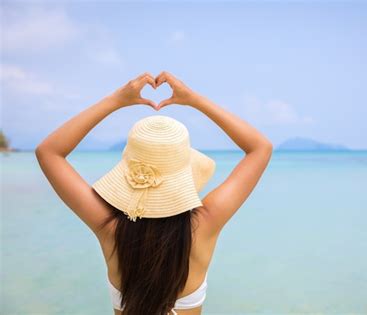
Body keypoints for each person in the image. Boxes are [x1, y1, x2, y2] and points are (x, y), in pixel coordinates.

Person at [35, 71, 273, 315]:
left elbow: (49, 152)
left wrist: (116, 100)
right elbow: (260, 148)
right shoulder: (205, 224)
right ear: (184, 170)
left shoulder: (108, 227)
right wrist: (193, 99)